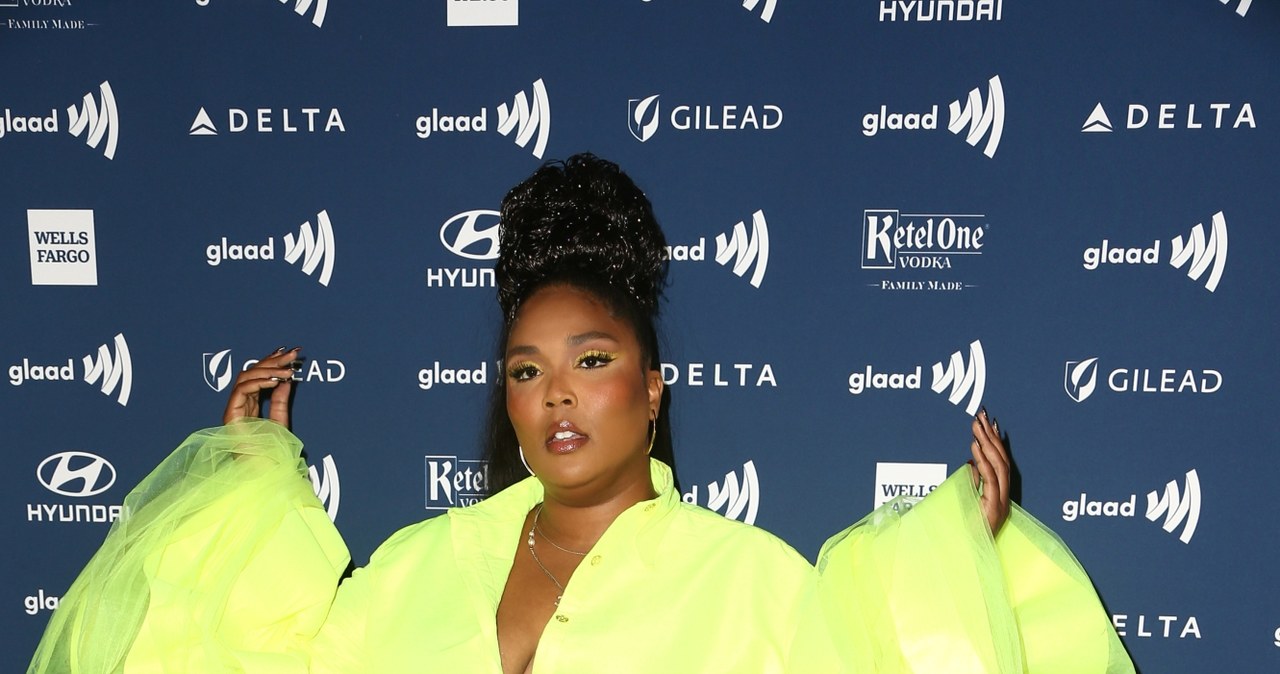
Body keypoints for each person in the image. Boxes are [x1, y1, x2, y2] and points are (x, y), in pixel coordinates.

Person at [30, 154, 1134, 673]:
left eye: (590, 358)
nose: (554, 390)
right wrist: (245, 483)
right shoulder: (415, 566)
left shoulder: (748, 583)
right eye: (523, 368)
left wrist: (961, 562)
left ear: (651, 388)